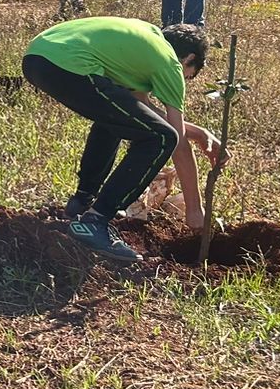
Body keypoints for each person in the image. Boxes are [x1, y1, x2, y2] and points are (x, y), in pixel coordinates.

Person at [22, 17, 221, 262]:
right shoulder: (170, 63)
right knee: (161, 138)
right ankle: (95, 221)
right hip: (69, 65)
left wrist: (198, 132)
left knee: (116, 118)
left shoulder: (143, 44)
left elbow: (139, 110)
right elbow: (177, 143)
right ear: (189, 59)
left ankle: (82, 202)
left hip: (37, 57)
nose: (184, 79)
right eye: (189, 76)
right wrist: (194, 210)